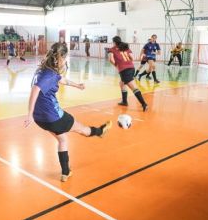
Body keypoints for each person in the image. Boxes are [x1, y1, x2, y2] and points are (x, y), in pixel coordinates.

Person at [24, 42, 112, 182]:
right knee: (82, 129)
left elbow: (62, 80)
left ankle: (65, 172)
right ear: (60, 58)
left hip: (40, 119)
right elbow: (35, 90)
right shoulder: (50, 75)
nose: (65, 61)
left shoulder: (43, 71)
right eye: (65, 58)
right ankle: (100, 132)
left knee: (62, 139)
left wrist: (78, 85)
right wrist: (29, 113)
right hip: (54, 117)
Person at [108, 36, 148, 111]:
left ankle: (144, 104)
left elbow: (110, 59)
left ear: (114, 42)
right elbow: (132, 58)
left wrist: (116, 65)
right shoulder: (125, 47)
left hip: (124, 70)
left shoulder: (112, 49)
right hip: (131, 68)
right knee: (122, 83)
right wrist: (127, 63)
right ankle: (124, 101)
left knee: (133, 87)